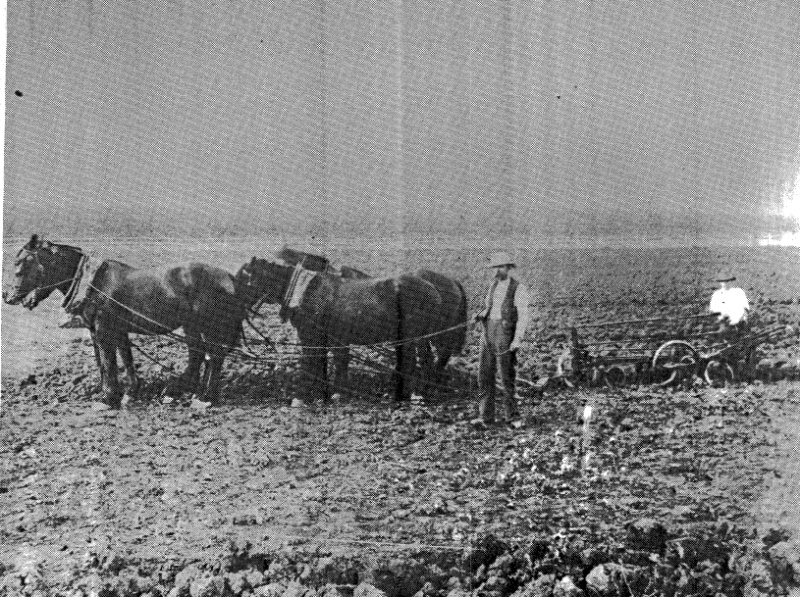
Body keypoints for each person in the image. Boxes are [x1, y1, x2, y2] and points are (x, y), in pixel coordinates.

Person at [474, 251, 530, 426]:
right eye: (495, 267)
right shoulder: (493, 286)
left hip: (505, 334)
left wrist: (517, 340)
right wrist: (481, 315)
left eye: (501, 267)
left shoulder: (518, 288)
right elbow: (490, 308)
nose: (497, 271)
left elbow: (523, 316)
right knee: (484, 375)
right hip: (488, 331)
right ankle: (485, 417)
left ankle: (512, 417)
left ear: (508, 268)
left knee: (506, 377)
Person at [709, 271, 754, 381]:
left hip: (740, 324)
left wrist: (736, 319)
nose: (725, 284)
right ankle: (727, 372)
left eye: (727, 281)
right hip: (724, 325)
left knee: (747, 347)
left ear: (731, 281)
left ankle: (749, 376)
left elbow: (745, 309)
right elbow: (713, 311)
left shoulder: (738, 293)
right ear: (720, 283)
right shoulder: (716, 295)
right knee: (724, 346)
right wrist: (722, 318)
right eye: (722, 282)